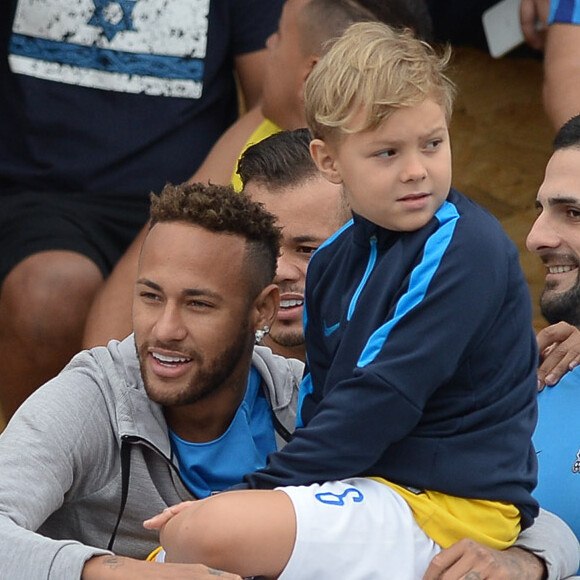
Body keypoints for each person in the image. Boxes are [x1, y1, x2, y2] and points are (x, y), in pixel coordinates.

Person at [143, 21, 540, 579]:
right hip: (370, 488)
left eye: (433, 143)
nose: (416, 170)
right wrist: (257, 502)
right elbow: (321, 401)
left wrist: (255, 496)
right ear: (330, 162)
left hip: (454, 506)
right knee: (167, 555)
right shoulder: (333, 261)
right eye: (386, 152)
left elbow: (380, 398)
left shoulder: (463, 247)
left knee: (205, 532)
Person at [81, 0, 434, 350]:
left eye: (279, 35)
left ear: (310, 74)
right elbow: (142, 272)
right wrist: (109, 389)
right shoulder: (258, 127)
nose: (267, 44)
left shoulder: (385, 192)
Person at [0, 181, 304, 580]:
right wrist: (130, 574)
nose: (165, 329)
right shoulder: (93, 397)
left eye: (198, 304)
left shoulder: (304, 399)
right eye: (151, 297)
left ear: (263, 309)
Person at [0, 0, 283, 421]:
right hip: (41, 198)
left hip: (192, 198)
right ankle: (36, 466)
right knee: (50, 292)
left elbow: (276, 97)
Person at [422, 113, 580, 580]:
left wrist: (532, 565)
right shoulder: (525, 374)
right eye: (541, 209)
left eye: (573, 213)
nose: (535, 237)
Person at [238, 128, 349, 361]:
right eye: (263, 248)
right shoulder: (198, 375)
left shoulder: (407, 363)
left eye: (308, 250)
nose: (280, 271)